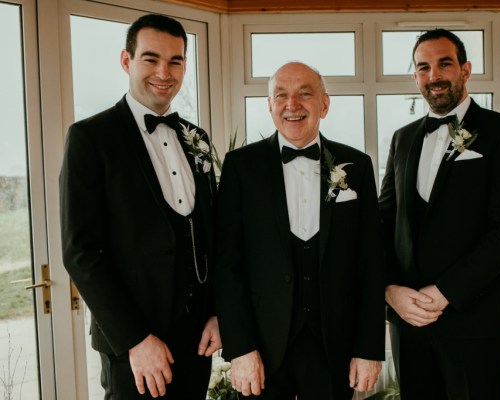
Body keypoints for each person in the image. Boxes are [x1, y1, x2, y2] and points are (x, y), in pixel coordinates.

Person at [60, 13, 221, 399]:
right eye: (151, 59)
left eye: (176, 60)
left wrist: (218, 312)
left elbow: (213, 235)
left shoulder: (195, 137)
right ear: (126, 60)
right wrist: (135, 340)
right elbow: (81, 252)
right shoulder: (90, 138)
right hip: (135, 349)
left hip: (198, 342)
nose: (164, 72)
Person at [215, 61, 385, 399]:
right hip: (260, 350)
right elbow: (226, 264)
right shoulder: (240, 167)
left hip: (332, 346)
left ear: (324, 103)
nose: (292, 105)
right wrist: (240, 348)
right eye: (281, 96)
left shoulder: (358, 166)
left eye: (304, 94)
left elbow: (370, 262)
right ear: (269, 105)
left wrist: (368, 349)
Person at [379, 29, 500, 400]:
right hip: (409, 322)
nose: (434, 75)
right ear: (415, 76)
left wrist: (446, 291)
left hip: (475, 322)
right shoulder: (402, 138)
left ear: (465, 69)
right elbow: (383, 223)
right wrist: (390, 290)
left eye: (444, 63)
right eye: (423, 67)